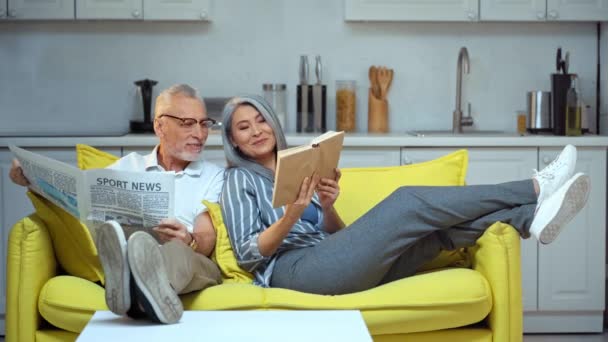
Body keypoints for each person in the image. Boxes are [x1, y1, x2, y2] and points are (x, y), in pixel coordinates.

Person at [218, 94, 591, 295]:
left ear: (273, 122)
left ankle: (530, 218)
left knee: (437, 235)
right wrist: (290, 217)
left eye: (261, 120)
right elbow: (249, 255)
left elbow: (335, 238)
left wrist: (327, 207)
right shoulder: (238, 181)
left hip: (327, 261)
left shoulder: (295, 166)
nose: (256, 131)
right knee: (407, 202)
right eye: (244, 127)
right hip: (292, 271)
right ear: (233, 140)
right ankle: (535, 187)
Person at [9, 84, 224, 324]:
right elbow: (83, 208)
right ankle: (137, 285)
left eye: (204, 123)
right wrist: (32, 180)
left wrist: (189, 239)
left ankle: (130, 291)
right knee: (118, 238)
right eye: (187, 123)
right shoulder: (127, 167)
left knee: (174, 252)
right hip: (130, 251)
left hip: (189, 259)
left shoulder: (213, 175)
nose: (200, 133)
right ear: (159, 126)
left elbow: (207, 236)